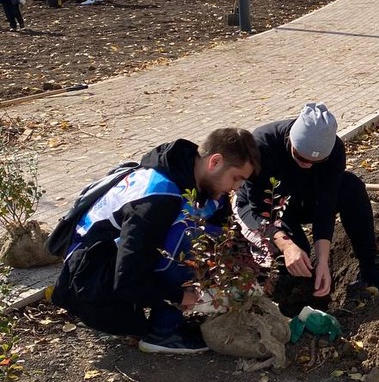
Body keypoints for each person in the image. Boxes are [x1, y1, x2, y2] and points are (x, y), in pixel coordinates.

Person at [52, 128, 261, 354]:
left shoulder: (199, 180)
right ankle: (163, 332)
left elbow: (227, 232)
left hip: (115, 268)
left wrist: (246, 274)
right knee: (188, 235)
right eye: (236, 178)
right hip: (91, 282)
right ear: (215, 162)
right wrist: (182, 296)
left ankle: (166, 315)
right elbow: (127, 277)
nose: (238, 187)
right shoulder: (158, 197)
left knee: (211, 233)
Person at [235, 103, 379, 298]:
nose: (307, 165)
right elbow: (259, 209)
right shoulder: (262, 145)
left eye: (315, 162)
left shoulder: (335, 150)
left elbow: (325, 206)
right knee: (298, 258)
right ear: (290, 141)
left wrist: (323, 262)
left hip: (305, 199)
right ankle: (276, 294)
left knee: (352, 187)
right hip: (265, 209)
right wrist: (287, 246)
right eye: (300, 158)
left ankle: (371, 269)